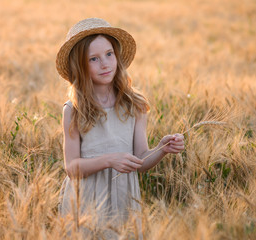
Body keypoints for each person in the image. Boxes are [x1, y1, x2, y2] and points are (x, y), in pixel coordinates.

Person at [56, 18, 184, 239]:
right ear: (80, 65)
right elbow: (72, 167)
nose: (105, 64)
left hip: (124, 197)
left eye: (109, 54)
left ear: (117, 56)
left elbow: (141, 160)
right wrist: (109, 160)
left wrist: (162, 149)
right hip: (85, 200)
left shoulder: (134, 105)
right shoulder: (74, 109)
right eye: (93, 59)